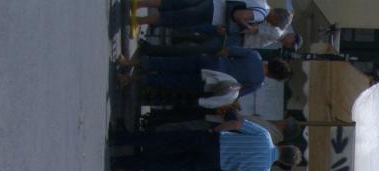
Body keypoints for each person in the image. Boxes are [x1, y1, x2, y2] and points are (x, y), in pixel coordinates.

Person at [110, 117, 302, 171]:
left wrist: (215, 130)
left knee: (165, 140)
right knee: (167, 164)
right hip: (214, 163)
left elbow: (237, 124)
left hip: (214, 141)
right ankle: (122, 163)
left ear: (285, 146)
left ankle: (121, 139)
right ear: (282, 163)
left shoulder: (265, 136)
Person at [123, 48, 291, 97]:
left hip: (211, 62)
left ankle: (127, 62)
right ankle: (128, 79)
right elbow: (236, 93)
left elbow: (227, 51)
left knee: (171, 63)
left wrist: (216, 58)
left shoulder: (255, 56)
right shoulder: (256, 84)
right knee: (170, 81)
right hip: (211, 82)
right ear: (273, 77)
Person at [133, 0, 272, 32]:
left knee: (175, 3)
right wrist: (249, 28)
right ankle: (138, 20)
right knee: (176, 18)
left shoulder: (262, 1)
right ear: (275, 19)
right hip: (214, 13)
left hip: (214, 2)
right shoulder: (261, 14)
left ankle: (139, 3)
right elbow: (238, 16)